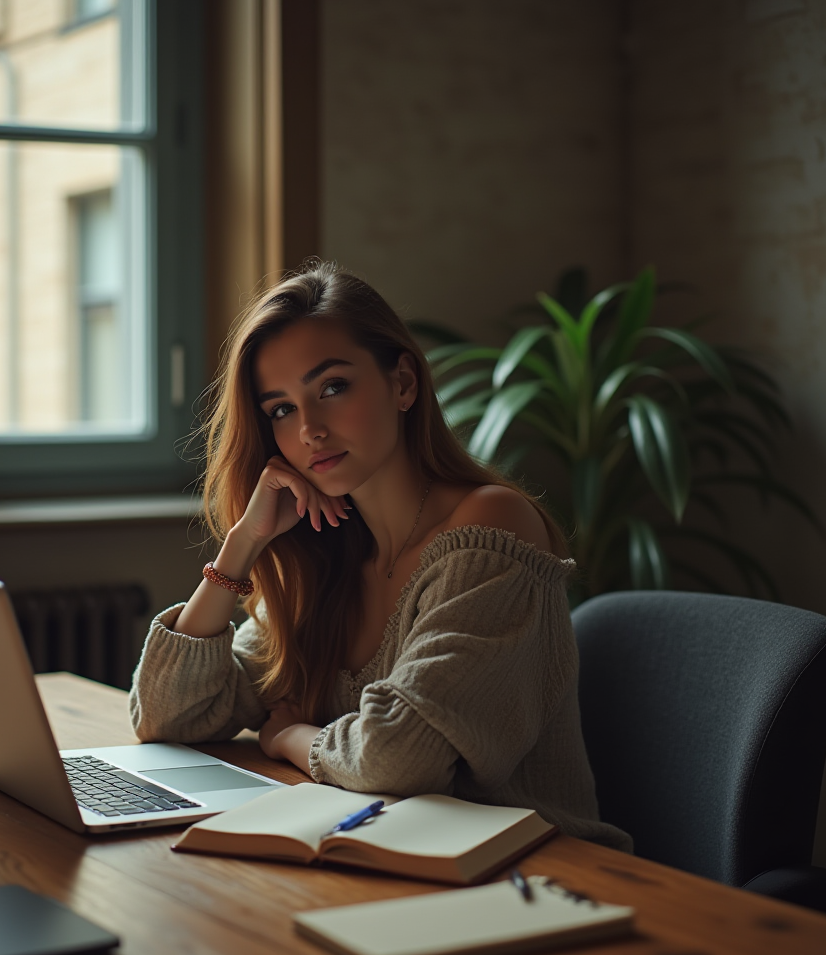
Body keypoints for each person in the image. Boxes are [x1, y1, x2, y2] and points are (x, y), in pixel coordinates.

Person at [129, 261, 630, 851]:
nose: (309, 428)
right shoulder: (326, 555)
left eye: (333, 387)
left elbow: (400, 758)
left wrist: (290, 736)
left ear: (403, 385)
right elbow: (168, 718)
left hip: (534, 876)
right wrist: (242, 545)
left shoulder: (490, 527)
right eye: (282, 409)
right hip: (382, 864)